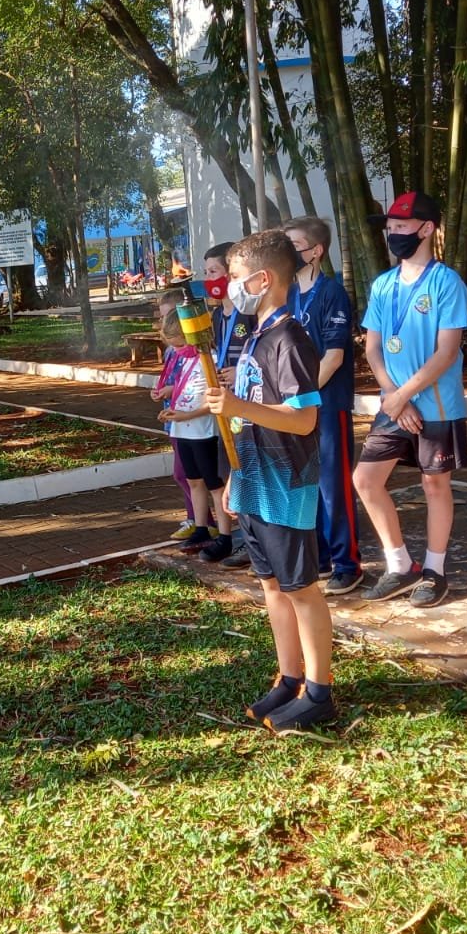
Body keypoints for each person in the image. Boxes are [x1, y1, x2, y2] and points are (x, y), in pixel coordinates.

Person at [205, 230, 331, 733]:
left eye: (235, 278)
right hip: (255, 479)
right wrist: (236, 476)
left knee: (301, 589)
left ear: (263, 279)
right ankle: (288, 677)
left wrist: (238, 406)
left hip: (287, 484)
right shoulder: (256, 334)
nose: (230, 287)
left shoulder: (291, 338)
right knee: (272, 586)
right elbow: (249, 421)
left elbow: (303, 419)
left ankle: (319, 692)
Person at [354, 191, 467, 607]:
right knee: (365, 480)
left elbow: (447, 352)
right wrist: (393, 396)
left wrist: (403, 395)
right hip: (394, 404)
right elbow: (372, 348)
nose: (393, 234)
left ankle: (435, 570)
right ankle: (399, 564)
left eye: (401, 227)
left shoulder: (447, 283)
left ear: (427, 229)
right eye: (390, 227)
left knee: (434, 484)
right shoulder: (382, 285)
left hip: (436, 404)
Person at [283, 217, 362, 596]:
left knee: (334, 485)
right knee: (306, 482)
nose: (288, 253)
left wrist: (304, 393)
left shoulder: (332, 293)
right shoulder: (287, 294)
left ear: (316, 251)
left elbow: (333, 356)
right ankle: (322, 556)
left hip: (326, 403)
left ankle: (348, 564)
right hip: (298, 405)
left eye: (294, 245)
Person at [158, 309, 233, 560]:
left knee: (214, 485)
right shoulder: (185, 360)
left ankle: (225, 535)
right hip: (183, 429)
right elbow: (183, 391)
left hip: (203, 431)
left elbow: (213, 399)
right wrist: (173, 411)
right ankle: (202, 528)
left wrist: (186, 416)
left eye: (179, 344)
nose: (176, 349)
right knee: (194, 481)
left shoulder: (208, 358)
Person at [200, 241, 255, 570]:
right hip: (225, 406)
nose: (209, 279)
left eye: (215, 272)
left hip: (249, 405)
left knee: (247, 468)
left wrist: (240, 370)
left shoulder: (247, 313)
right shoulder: (215, 317)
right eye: (205, 273)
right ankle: (240, 537)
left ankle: (254, 541)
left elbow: (258, 353)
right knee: (229, 471)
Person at [152, 294, 197, 541]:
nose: (165, 320)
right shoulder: (172, 351)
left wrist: (172, 389)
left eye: (170, 315)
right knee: (184, 473)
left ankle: (201, 521)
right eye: (162, 316)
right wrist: (160, 390)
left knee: (187, 474)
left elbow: (191, 382)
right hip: (173, 416)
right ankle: (196, 518)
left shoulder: (191, 351)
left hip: (189, 418)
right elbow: (168, 377)